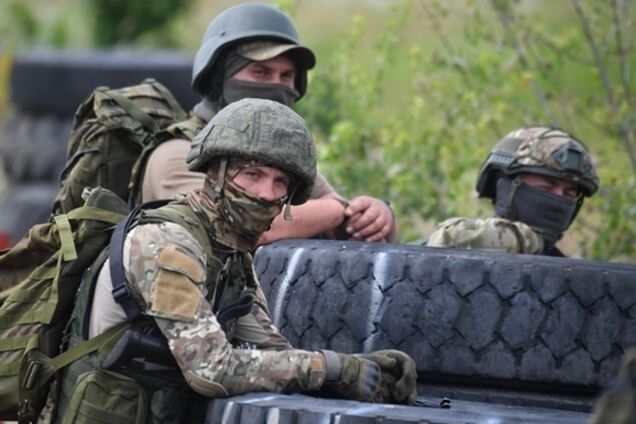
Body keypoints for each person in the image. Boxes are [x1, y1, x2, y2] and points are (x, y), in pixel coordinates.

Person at [51, 99, 416, 423]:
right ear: (216, 173)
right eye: (252, 174)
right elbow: (212, 369)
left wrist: (359, 369)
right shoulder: (166, 243)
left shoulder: (229, 254)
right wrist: (332, 367)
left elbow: (273, 354)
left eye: (280, 182)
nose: (266, 194)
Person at [141, 3, 396, 245]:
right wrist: (335, 211)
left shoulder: (278, 154)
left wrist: (373, 217)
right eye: (260, 72)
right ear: (219, 79)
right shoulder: (178, 153)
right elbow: (235, 226)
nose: (276, 85)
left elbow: (339, 215)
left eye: (286, 76)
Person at [427, 126, 599, 256]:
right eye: (546, 188)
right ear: (505, 187)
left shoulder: (569, 273)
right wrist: (528, 240)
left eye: (569, 194)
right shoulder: (466, 245)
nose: (558, 198)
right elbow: (448, 239)